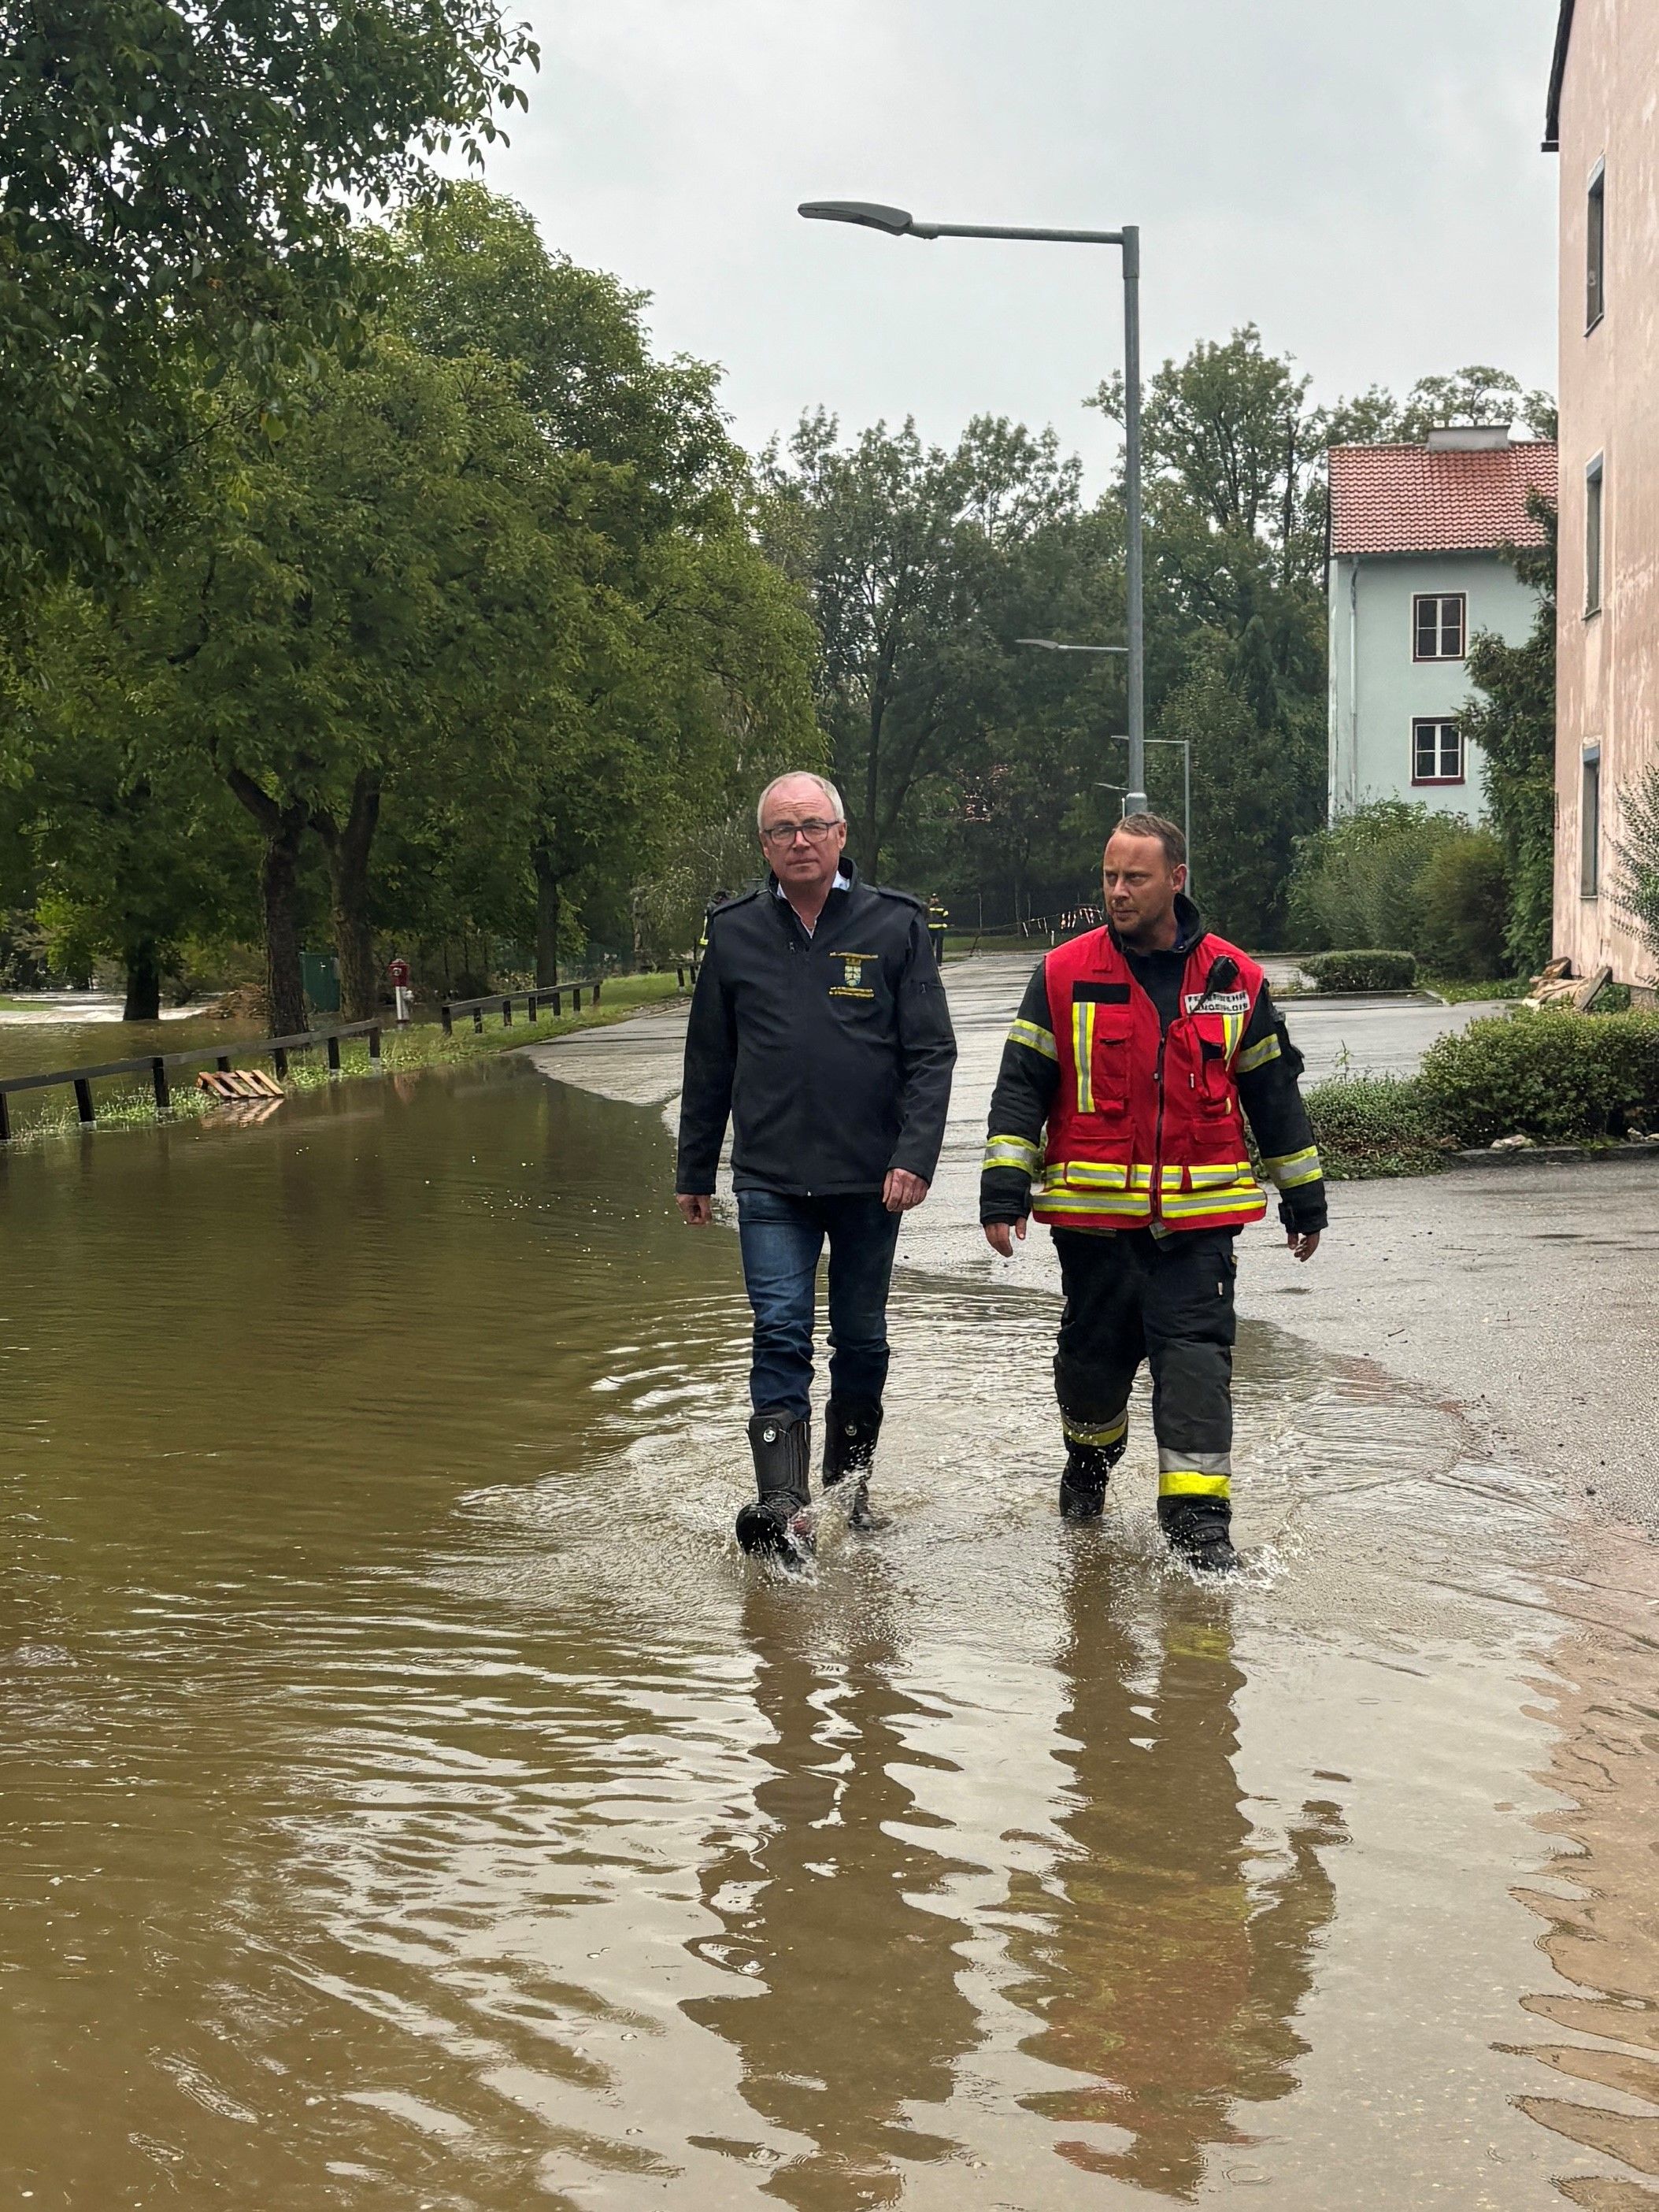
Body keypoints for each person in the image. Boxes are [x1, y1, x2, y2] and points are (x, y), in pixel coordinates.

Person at [979, 813, 1327, 1572]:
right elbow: (1020, 1087)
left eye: (1134, 876)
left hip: (1198, 1228)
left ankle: (1199, 1530)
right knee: (1090, 1369)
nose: (1117, 891)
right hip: (1094, 1227)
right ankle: (1089, 1462)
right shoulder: (1063, 972)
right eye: (1109, 876)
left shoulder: (1233, 979)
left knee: (1196, 1364)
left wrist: (1305, 1196)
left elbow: (1273, 1093)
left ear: (1176, 879)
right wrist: (1002, 1188)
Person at [676, 772, 957, 1558]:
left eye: (812, 826)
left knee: (861, 1340)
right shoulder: (732, 933)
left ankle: (849, 1490)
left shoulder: (894, 924)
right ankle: (784, 1506)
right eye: (781, 830)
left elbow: (930, 1055)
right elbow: (708, 1060)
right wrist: (694, 1167)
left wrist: (914, 1155)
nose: (798, 841)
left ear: (840, 834)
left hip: (872, 1181)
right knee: (780, 1329)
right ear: (764, 846)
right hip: (769, 1178)